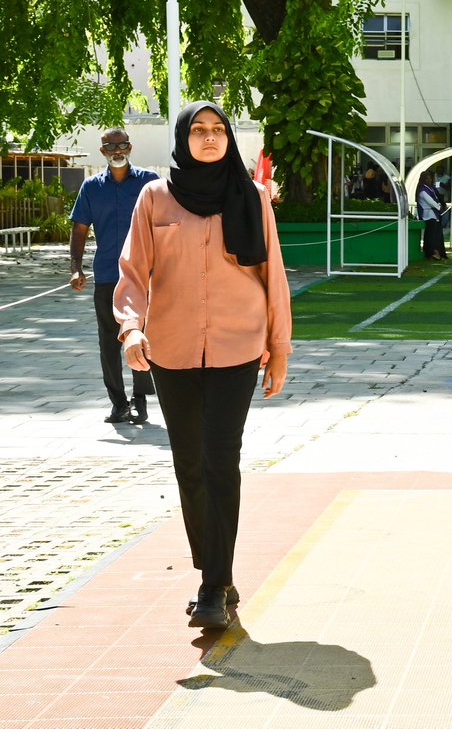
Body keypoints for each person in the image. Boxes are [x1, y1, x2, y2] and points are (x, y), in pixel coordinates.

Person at [115, 101, 292, 631]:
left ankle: (214, 584)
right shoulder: (155, 198)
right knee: (188, 465)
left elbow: (273, 276)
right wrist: (131, 328)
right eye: (199, 130)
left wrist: (278, 348)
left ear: (229, 139)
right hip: (170, 349)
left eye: (218, 130)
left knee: (220, 460)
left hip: (238, 347)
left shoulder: (252, 197)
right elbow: (131, 273)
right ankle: (215, 571)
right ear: (182, 138)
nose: (210, 138)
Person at [69, 128, 159, 424]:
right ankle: (118, 403)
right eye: (111, 146)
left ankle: (141, 401)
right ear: (103, 151)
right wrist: (75, 267)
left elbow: (167, 225)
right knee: (109, 341)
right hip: (108, 274)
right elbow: (79, 228)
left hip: (145, 276)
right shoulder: (92, 187)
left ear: (130, 147)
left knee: (141, 337)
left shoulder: (150, 183)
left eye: (121, 145)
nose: (117, 150)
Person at [417, 170, 447, 260]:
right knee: (432, 236)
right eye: (427, 178)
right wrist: (439, 207)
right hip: (429, 215)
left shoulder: (431, 187)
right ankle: (433, 253)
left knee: (437, 235)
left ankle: (437, 252)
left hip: (435, 215)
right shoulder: (422, 190)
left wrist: (441, 205)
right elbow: (430, 201)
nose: (429, 180)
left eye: (430, 178)